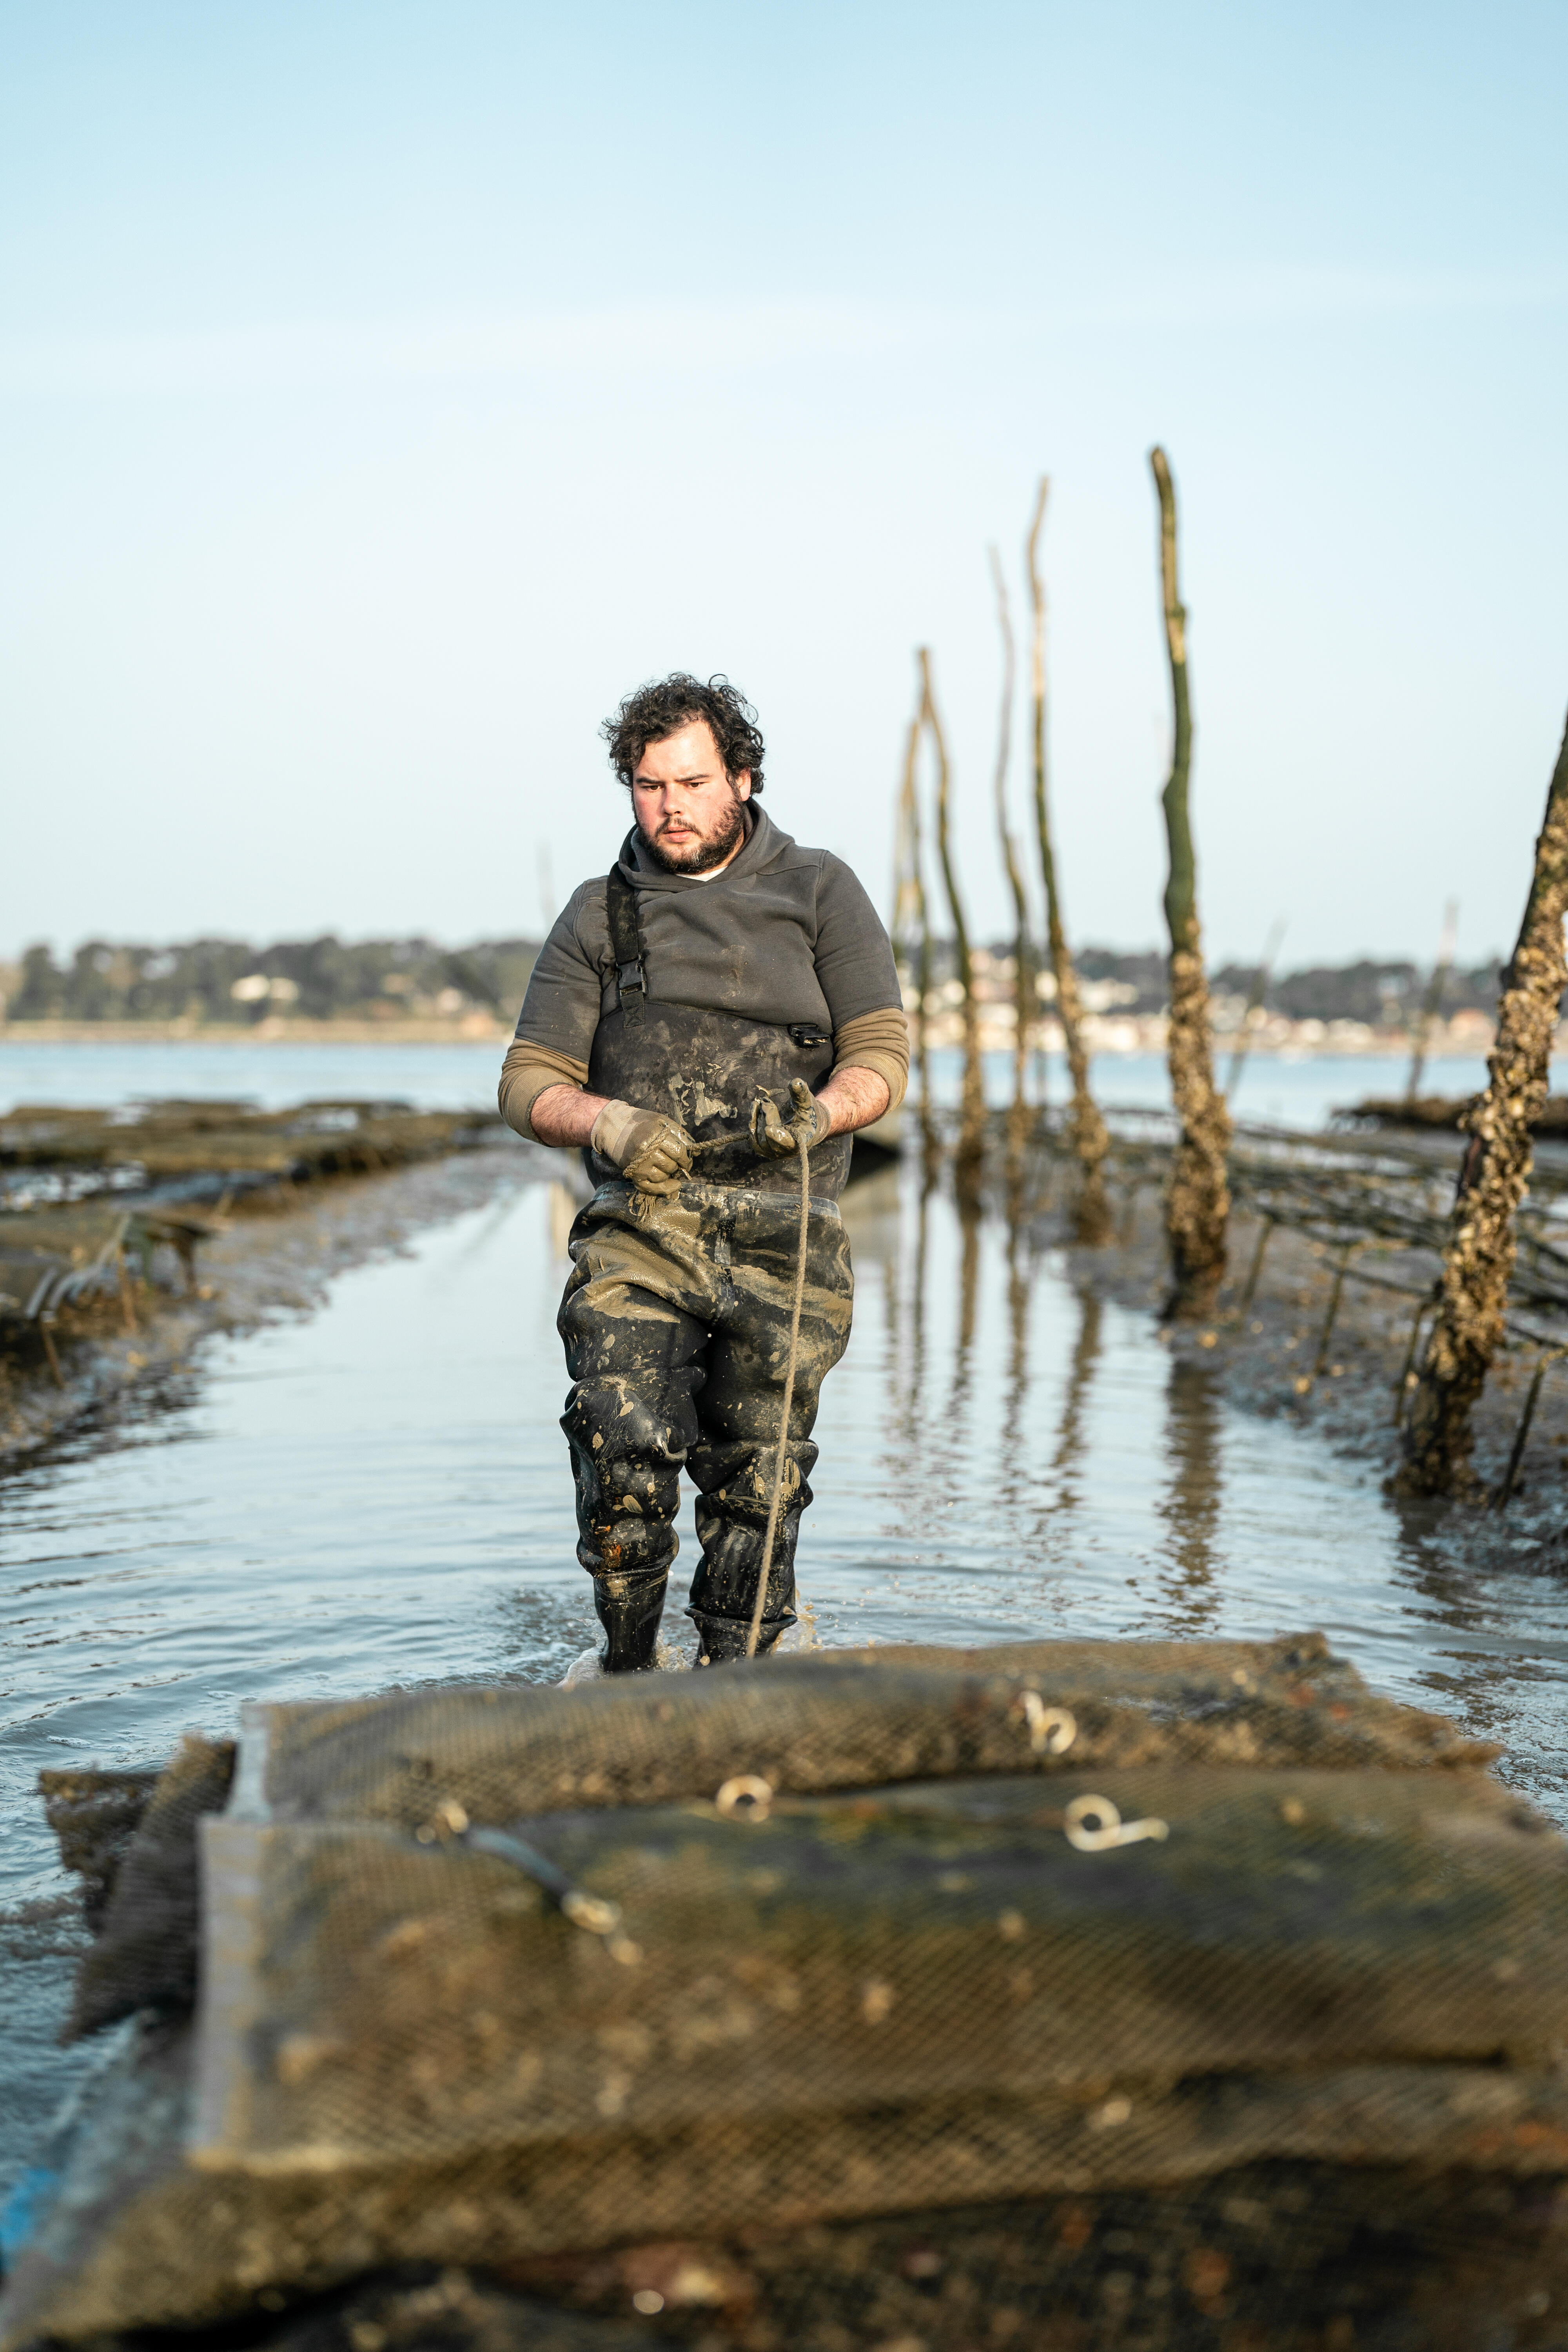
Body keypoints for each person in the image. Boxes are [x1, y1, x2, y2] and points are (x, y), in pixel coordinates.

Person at [499, 674, 908, 1671]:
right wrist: (610, 1121)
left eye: (690, 781)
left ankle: (739, 1671)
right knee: (619, 1439)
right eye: (647, 786)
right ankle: (627, 1667)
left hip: (787, 1227)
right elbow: (525, 1085)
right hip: (643, 1227)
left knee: (759, 1479)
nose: (669, 806)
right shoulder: (600, 915)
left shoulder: (820, 890)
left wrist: (819, 1113)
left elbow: (881, 1058)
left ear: (742, 775)